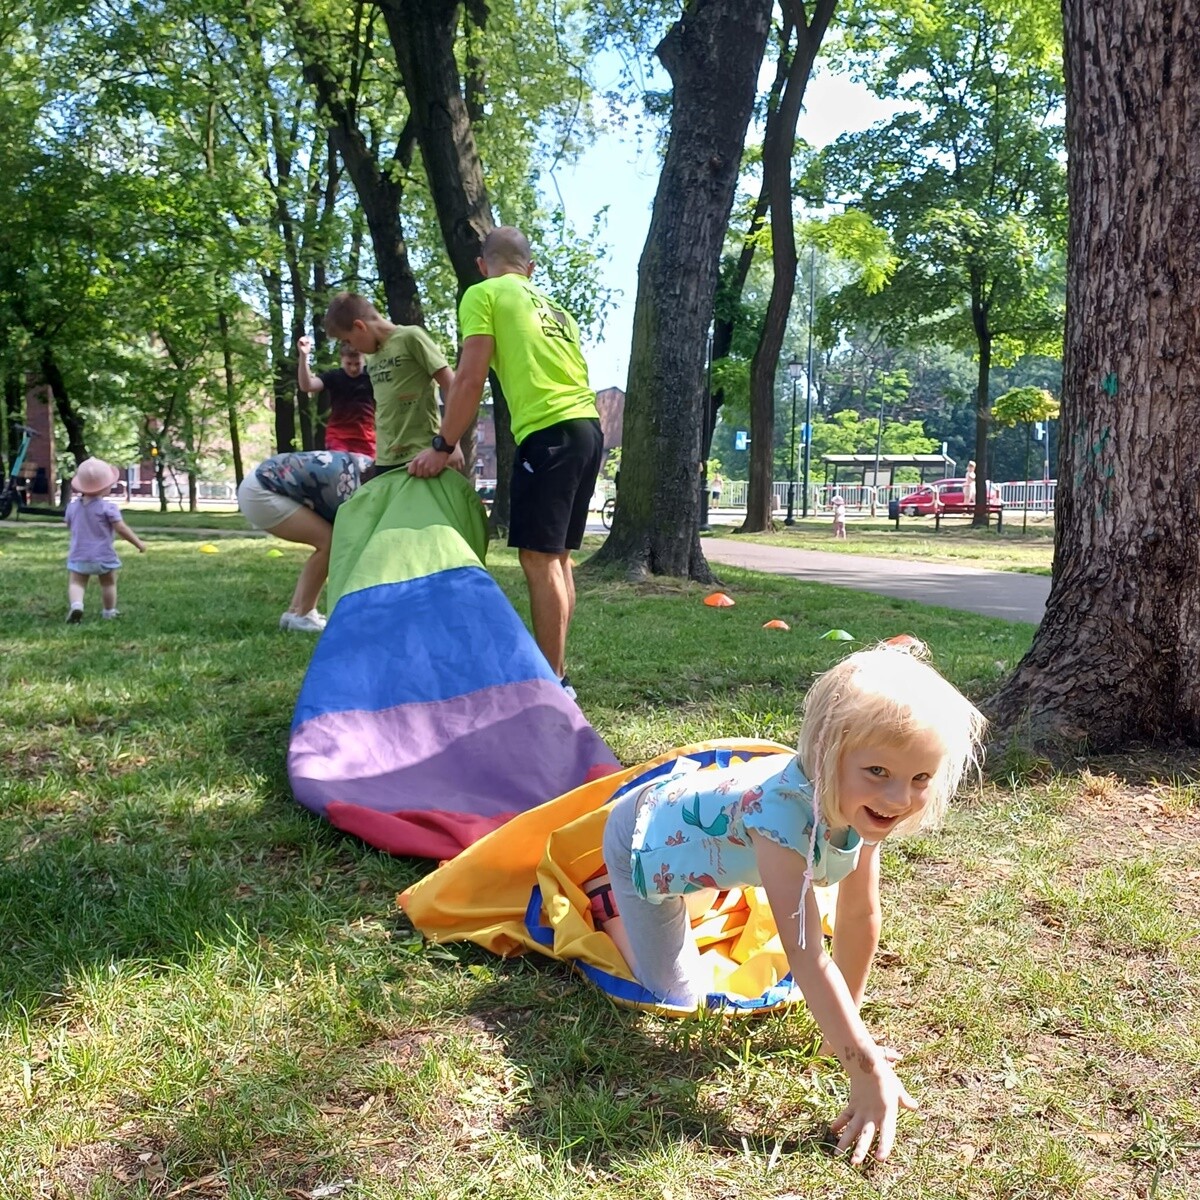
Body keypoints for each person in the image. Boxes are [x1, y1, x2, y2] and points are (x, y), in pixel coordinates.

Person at [600, 641, 986, 1165]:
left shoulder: (867, 804)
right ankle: (613, 913)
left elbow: (859, 914)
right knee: (678, 996)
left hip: (715, 836)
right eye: (878, 773)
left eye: (919, 779)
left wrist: (844, 1032)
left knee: (731, 879)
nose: (898, 799)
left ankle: (706, 888)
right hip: (643, 839)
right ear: (828, 754)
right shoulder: (781, 820)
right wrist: (866, 1070)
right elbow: (807, 954)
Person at [408, 227, 604, 699]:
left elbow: (470, 376)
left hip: (549, 433)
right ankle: (557, 672)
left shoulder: (484, 294)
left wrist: (442, 443)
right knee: (558, 559)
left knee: (539, 559)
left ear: (482, 264)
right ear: (531, 268)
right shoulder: (557, 310)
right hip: (588, 429)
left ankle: (552, 684)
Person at [322, 293, 460, 475]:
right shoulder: (372, 359)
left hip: (422, 456)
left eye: (348, 340)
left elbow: (453, 386)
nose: (352, 348)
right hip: (385, 460)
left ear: (359, 326)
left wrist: (449, 443)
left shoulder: (410, 337)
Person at [237, 450, 363, 632]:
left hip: (259, 485)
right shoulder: (355, 486)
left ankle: (295, 613)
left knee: (330, 542)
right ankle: (304, 614)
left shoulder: (361, 469)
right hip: (262, 492)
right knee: (329, 543)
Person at [64, 457, 146, 622]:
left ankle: (77, 605)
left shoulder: (72, 507)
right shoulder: (108, 508)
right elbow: (121, 528)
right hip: (103, 555)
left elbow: (69, 524)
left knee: (76, 583)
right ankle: (109, 612)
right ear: (105, 486)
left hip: (79, 554)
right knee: (108, 584)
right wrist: (139, 543)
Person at [296, 335, 376, 460]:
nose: (353, 368)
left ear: (364, 359)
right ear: (342, 360)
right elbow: (307, 386)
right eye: (349, 364)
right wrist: (303, 356)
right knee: (341, 471)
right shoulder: (334, 377)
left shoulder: (372, 377)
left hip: (366, 439)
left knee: (369, 476)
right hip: (338, 438)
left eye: (357, 364)